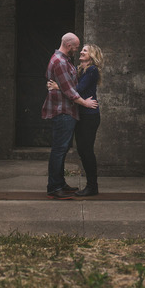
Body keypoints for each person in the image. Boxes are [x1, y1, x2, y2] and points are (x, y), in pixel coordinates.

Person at [43, 32, 97, 199]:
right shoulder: (60, 61)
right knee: (59, 150)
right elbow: (71, 91)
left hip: (67, 110)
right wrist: (85, 103)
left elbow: (71, 86)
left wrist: (58, 87)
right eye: (76, 47)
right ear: (68, 46)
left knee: (62, 149)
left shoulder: (66, 61)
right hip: (63, 110)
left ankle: (60, 182)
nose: (77, 50)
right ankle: (54, 187)